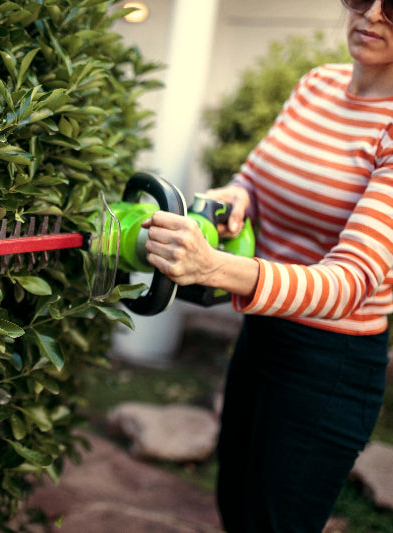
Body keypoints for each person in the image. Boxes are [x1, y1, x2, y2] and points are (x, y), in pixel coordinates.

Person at [141, 1, 393, 531]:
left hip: (331, 360)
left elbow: (349, 283)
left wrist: (213, 269)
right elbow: (251, 179)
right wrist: (232, 198)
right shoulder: (317, 85)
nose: (371, 15)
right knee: (235, 505)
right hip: (262, 335)